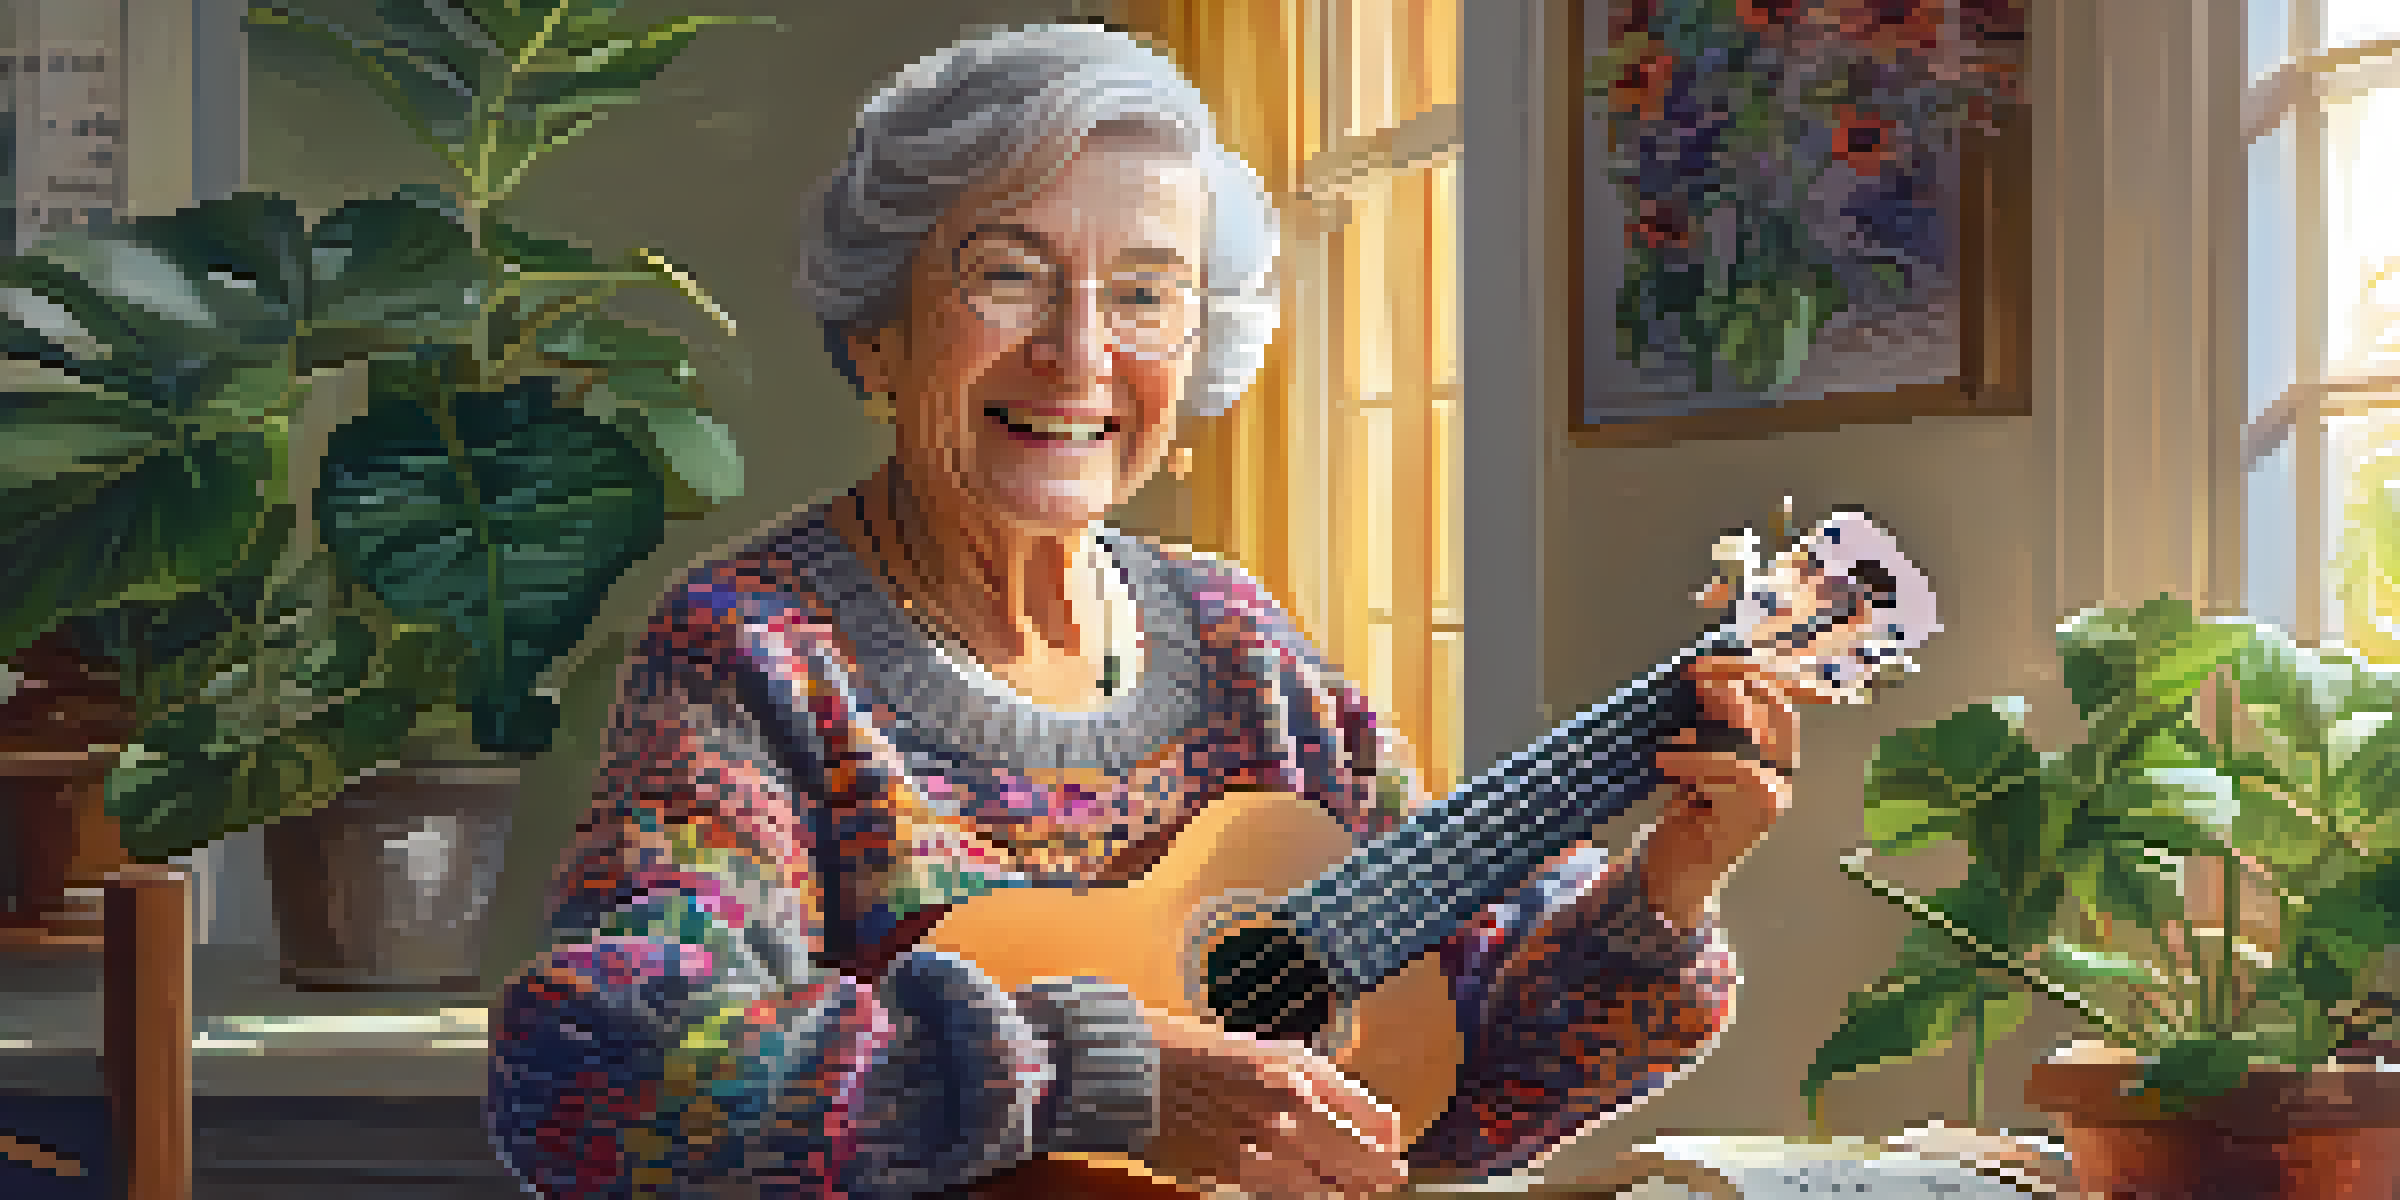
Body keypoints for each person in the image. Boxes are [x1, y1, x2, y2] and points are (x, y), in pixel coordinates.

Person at [485, 23, 1812, 1200]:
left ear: (1194, 352)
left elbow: (1445, 1100)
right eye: (1006, 275)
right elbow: (600, 1082)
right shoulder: (756, 654)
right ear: (878, 333)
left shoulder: (1246, 649)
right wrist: (1100, 1075)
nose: (1078, 352)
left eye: (1142, 296)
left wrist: (1668, 891)